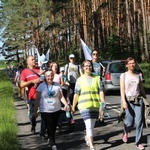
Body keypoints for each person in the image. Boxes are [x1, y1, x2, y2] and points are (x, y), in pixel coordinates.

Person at [72, 60, 106, 150]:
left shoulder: (97, 78)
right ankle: (91, 145)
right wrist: (73, 106)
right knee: (88, 125)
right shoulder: (79, 80)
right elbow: (76, 94)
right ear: (83, 68)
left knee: (92, 124)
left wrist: (102, 102)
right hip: (84, 105)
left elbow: (101, 91)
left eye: (90, 66)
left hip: (95, 105)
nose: (88, 67)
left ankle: (87, 136)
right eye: (86, 66)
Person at [33, 70, 70, 149]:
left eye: (51, 76)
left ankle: (50, 138)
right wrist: (35, 111)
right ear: (45, 77)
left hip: (56, 109)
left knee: (54, 126)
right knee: (49, 125)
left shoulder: (57, 85)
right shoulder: (41, 86)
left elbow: (61, 97)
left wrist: (66, 104)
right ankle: (53, 143)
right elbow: (37, 99)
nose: (50, 77)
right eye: (48, 76)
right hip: (45, 110)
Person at [120, 57, 147, 150]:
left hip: (138, 100)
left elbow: (141, 88)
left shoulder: (138, 75)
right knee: (129, 123)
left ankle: (138, 142)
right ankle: (125, 132)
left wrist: (146, 100)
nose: (132, 65)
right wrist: (123, 101)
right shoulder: (123, 76)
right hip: (128, 101)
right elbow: (122, 90)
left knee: (139, 122)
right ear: (126, 65)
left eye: (133, 63)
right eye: (130, 63)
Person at [20, 55, 44, 134]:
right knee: (33, 114)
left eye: (34, 59)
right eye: (32, 59)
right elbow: (22, 85)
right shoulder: (24, 71)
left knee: (44, 113)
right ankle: (33, 124)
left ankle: (43, 131)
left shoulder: (39, 69)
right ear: (28, 62)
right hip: (32, 96)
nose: (34, 60)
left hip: (43, 96)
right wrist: (32, 81)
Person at [91, 50, 106, 126]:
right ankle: (94, 117)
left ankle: (101, 118)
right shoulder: (90, 64)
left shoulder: (100, 64)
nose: (95, 55)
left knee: (102, 101)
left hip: (100, 84)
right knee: (94, 102)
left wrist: (103, 72)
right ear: (91, 55)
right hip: (93, 84)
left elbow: (102, 76)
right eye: (94, 54)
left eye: (97, 54)